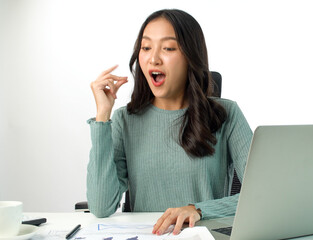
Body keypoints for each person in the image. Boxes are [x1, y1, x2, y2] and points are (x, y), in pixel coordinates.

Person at [87, 9, 253, 236]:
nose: (153, 58)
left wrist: (199, 209)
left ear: (190, 57)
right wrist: (102, 117)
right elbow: (100, 206)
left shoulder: (227, 113)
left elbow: (261, 194)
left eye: (168, 48)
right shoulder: (124, 120)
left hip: (201, 236)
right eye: (146, 48)